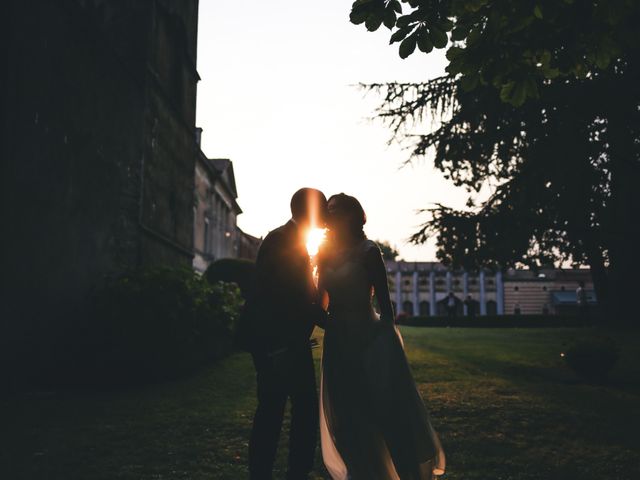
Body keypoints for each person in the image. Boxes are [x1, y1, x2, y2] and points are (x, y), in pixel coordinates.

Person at [317, 193, 445, 480]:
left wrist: (384, 344)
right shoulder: (323, 252)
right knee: (346, 415)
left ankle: (405, 471)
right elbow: (318, 302)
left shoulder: (368, 251)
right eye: (327, 210)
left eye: (335, 209)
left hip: (368, 339)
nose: (329, 214)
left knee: (382, 411)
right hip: (337, 341)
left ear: (352, 214)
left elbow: (386, 307)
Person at [245, 188, 328, 480]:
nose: (328, 215)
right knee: (276, 411)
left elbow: (301, 296)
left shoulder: (293, 239)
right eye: (324, 209)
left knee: (297, 409)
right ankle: (271, 472)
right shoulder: (281, 240)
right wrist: (275, 348)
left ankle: (295, 471)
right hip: (279, 345)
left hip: (292, 343)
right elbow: (271, 296)